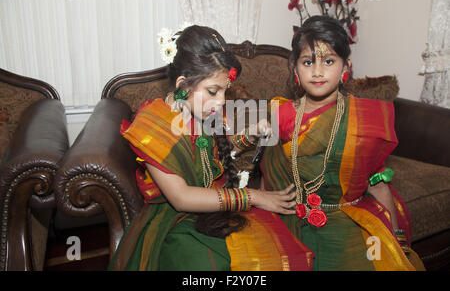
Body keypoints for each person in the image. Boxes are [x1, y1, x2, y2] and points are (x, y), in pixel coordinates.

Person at [108, 25, 313, 271]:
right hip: (175, 221)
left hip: (219, 206)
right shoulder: (153, 127)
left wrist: (249, 136)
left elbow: (216, 155)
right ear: (184, 85)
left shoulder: (206, 112)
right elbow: (181, 198)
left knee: (281, 253)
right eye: (213, 91)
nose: (221, 101)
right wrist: (255, 197)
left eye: (224, 92)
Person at [259, 15, 425, 271]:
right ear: (294, 68)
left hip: (346, 217)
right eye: (307, 62)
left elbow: (378, 185)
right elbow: (267, 172)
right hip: (292, 219)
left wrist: (397, 240)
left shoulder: (363, 121)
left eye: (328, 61)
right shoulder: (280, 114)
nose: (317, 71)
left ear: (346, 66)